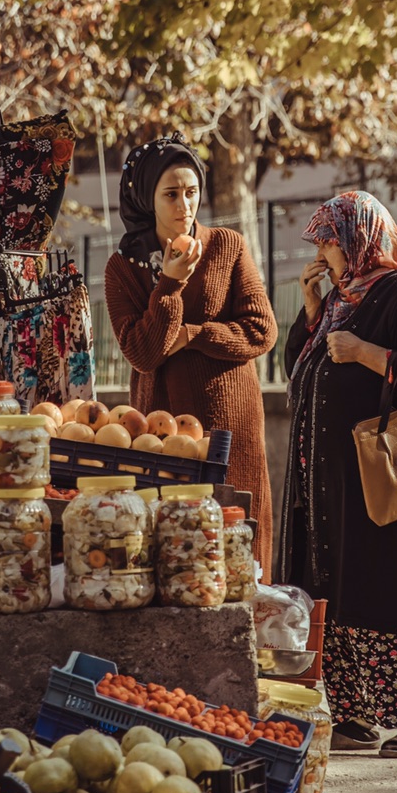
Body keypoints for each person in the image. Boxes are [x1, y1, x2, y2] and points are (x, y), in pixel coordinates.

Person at [278, 191, 397, 757]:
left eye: (329, 239)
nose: (322, 251)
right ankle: (354, 716)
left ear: (358, 238)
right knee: (338, 586)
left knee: (391, 583)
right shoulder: (335, 301)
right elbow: (297, 373)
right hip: (328, 484)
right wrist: (308, 312)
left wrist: (364, 353)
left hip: (383, 476)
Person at [103, 134, 277, 572]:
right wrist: (169, 283)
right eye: (171, 194)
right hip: (162, 429)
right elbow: (141, 353)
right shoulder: (122, 268)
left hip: (231, 428)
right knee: (173, 554)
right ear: (147, 198)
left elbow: (262, 331)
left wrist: (194, 335)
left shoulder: (228, 246)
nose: (185, 205)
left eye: (192, 191)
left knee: (240, 553)